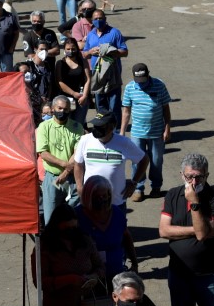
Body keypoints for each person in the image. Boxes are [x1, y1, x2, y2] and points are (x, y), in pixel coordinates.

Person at [159, 154, 214, 306]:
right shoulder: (173, 194)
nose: (194, 181)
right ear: (182, 175)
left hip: (209, 276)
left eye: (199, 176)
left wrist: (195, 203)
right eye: (190, 176)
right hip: (179, 274)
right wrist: (196, 229)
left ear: (207, 175)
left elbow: (203, 234)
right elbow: (164, 231)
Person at [34, 204, 104, 306]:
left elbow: (100, 266)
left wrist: (94, 277)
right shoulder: (44, 248)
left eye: (74, 227)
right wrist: (69, 280)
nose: (71, 232)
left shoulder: (85, 240)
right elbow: (40, 282)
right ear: (56, 226)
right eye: (67, 228)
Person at [74, 110, 150, 208]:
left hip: (116, 202)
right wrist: (80, 187)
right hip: (91, 200)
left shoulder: (124, 143)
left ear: (111, 127)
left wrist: (134, 182)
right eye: (95, 126)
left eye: (100, 127)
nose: (96, 129)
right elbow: (78, 164)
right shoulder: (85, 140)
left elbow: (144, 160)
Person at [120, 63, 172, 202]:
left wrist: (167, 127)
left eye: (143, 79)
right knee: (137, 161)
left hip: (156, 132)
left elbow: (165, 108)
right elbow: (126, 111)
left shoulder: (159, 85)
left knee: (156, 161)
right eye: (139, 80)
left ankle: (156, 187)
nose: (141, 83)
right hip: (137, 132)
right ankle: (138, 188)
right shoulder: (130, 88)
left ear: (148, 74)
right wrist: (122, 131)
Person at [76, 175, 138, 283]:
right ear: (88, 196)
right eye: (97, 197)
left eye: (105, 196)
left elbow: (127, 238)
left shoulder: (117, 214)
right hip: (89, 278)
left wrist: (134, 263)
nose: (102, 200)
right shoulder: (77, 216)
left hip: (116, 274)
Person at [36, 95, 83, 224]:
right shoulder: (44, 127)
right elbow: (43, 152)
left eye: (66, 109)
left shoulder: (76, 127)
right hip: (52, 178)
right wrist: (64, 164)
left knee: (73, 216)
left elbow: (78, 152)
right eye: (60, 108)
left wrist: (66, 171)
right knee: (50, 219)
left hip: (72, 177)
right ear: (53, 109)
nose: (62, 111)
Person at [82, 9, 128, 123]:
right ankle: (103, 127)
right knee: (100, 104)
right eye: (96, 19)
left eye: (101, 18)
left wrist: (111, 51)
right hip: (97, 74)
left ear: (105, 19)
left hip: (112, 74)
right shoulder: (91, 35)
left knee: (114, 104)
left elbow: (125, 52)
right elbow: (84, 53)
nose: (99, 20)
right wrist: (90, 52)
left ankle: (116, 130)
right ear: (92, 21)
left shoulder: (114, 32)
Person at [55, 37, 91, 126]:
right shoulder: (60, 63)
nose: (70, 51)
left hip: (81, 99)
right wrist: (73, 93)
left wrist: (84, 96)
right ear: (64, 49)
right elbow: (60, 82)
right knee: (66, 124)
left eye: (73, 49)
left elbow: (88, 79)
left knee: (78, 124)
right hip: (66, 99)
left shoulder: (83, 62)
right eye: (68, 49)